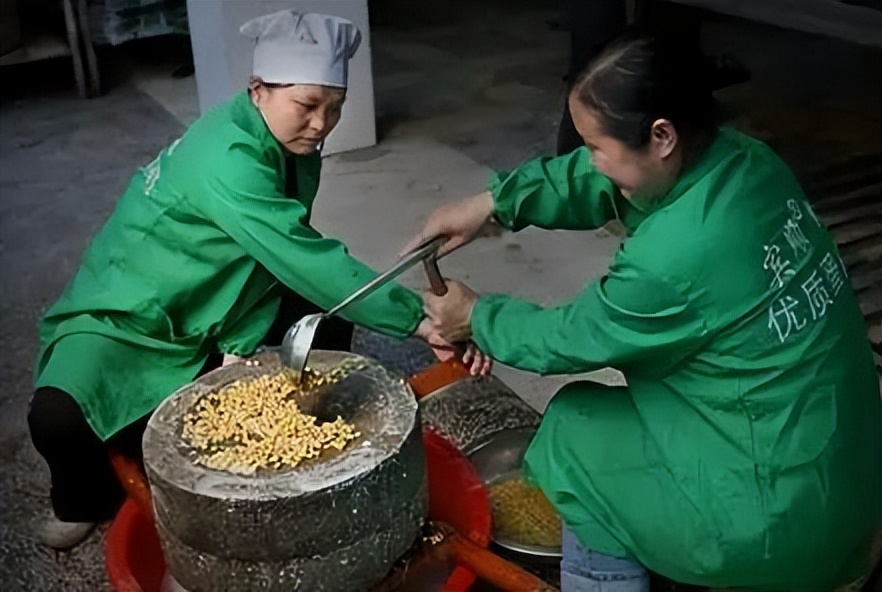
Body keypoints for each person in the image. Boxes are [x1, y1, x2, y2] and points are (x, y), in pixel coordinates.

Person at [407, 36, 882, 592]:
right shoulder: (748, 164)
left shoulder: (677, 256)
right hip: (849, 484)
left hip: (778, 525)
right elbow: (611, 182)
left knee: (575, 434)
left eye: (595, 146)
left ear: (662, 135)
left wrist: (476, 316)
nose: (589, 160)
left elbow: (569, 336)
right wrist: (497, 203)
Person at [28, 10, 483, 551]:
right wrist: (422, 319)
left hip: (224, 287)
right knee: (58, 414)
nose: (321, 124)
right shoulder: (229, 156)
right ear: (258, 90)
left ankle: (313, 412)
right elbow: (305, 257)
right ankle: (81, 499)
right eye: (307, 105)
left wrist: (240, 341)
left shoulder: (288, 145)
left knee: (319, 320)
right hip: (130, 307)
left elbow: (286, 254)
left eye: (334, 109)